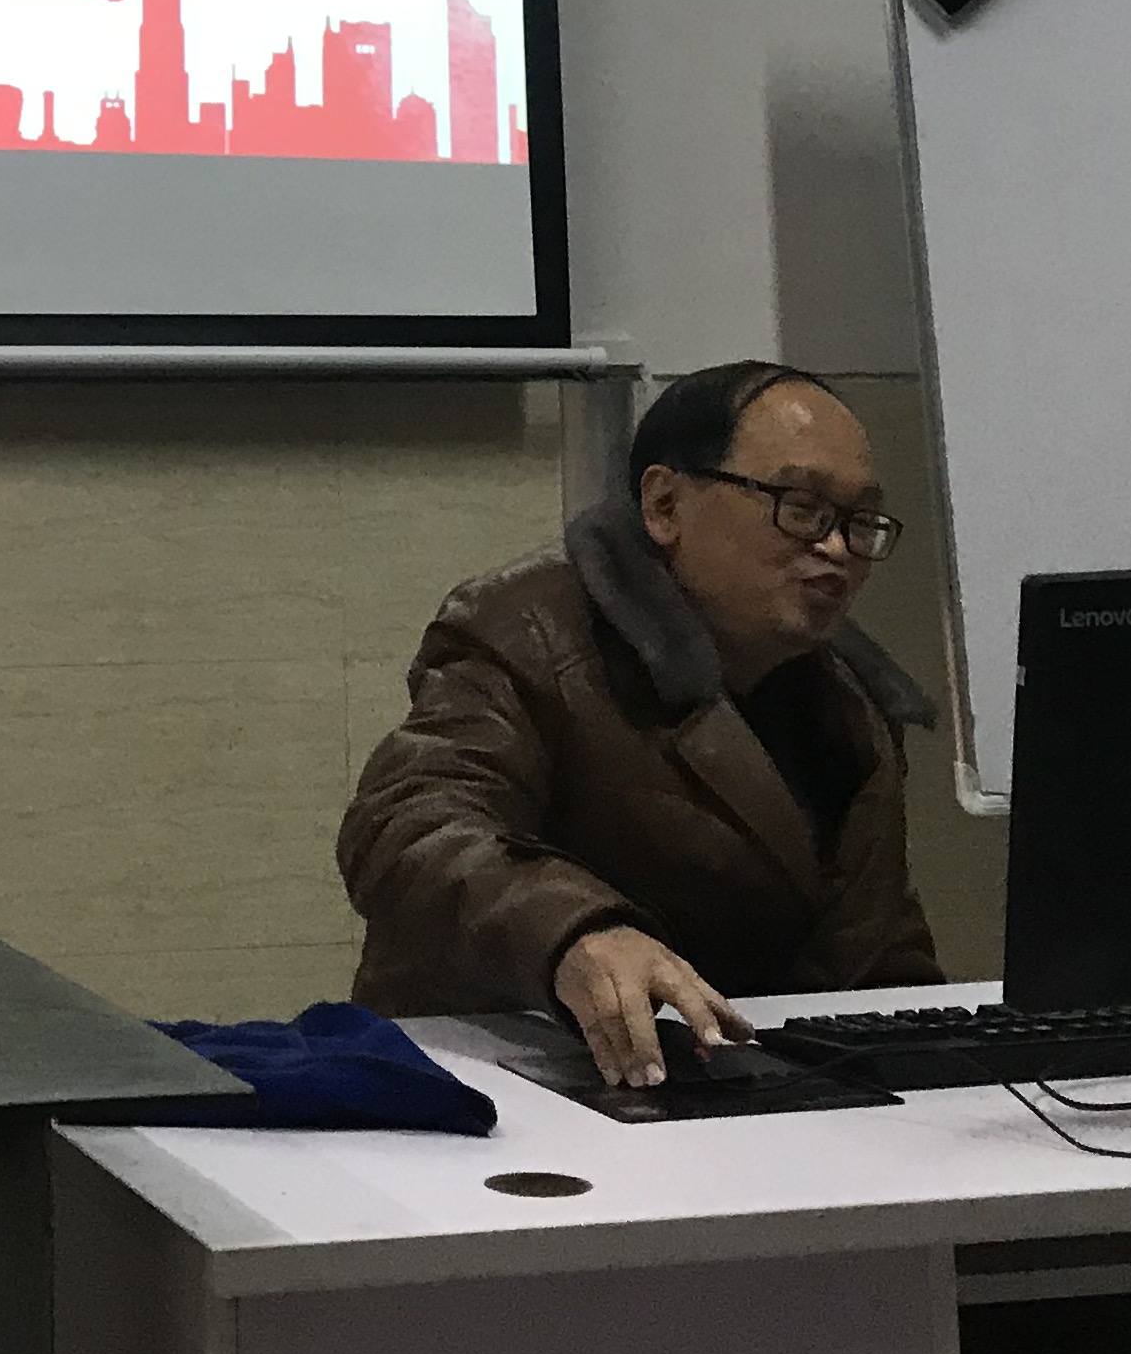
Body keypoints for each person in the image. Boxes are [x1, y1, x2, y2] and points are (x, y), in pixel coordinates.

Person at [338, 360, 943, 1085]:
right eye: (801, 507)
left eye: (859, 521)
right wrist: (578, 932)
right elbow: (410, 825)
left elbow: (880, 965)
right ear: (664, 505)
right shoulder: (528, 630)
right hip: (511, 1079)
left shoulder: (853, 705)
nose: (837, 547)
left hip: (742, 1094)